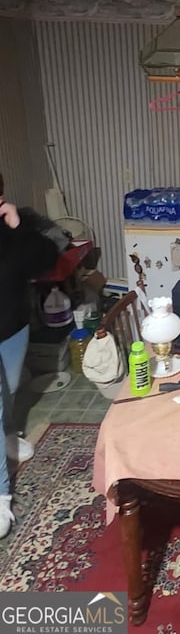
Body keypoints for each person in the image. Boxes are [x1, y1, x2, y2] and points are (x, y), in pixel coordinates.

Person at [0, 173, 59, 538]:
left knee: (9, 390)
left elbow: (45, 260)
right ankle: (3, 496)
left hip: (12, 327)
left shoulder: (11, 227)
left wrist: (18, 224)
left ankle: (8, 438)